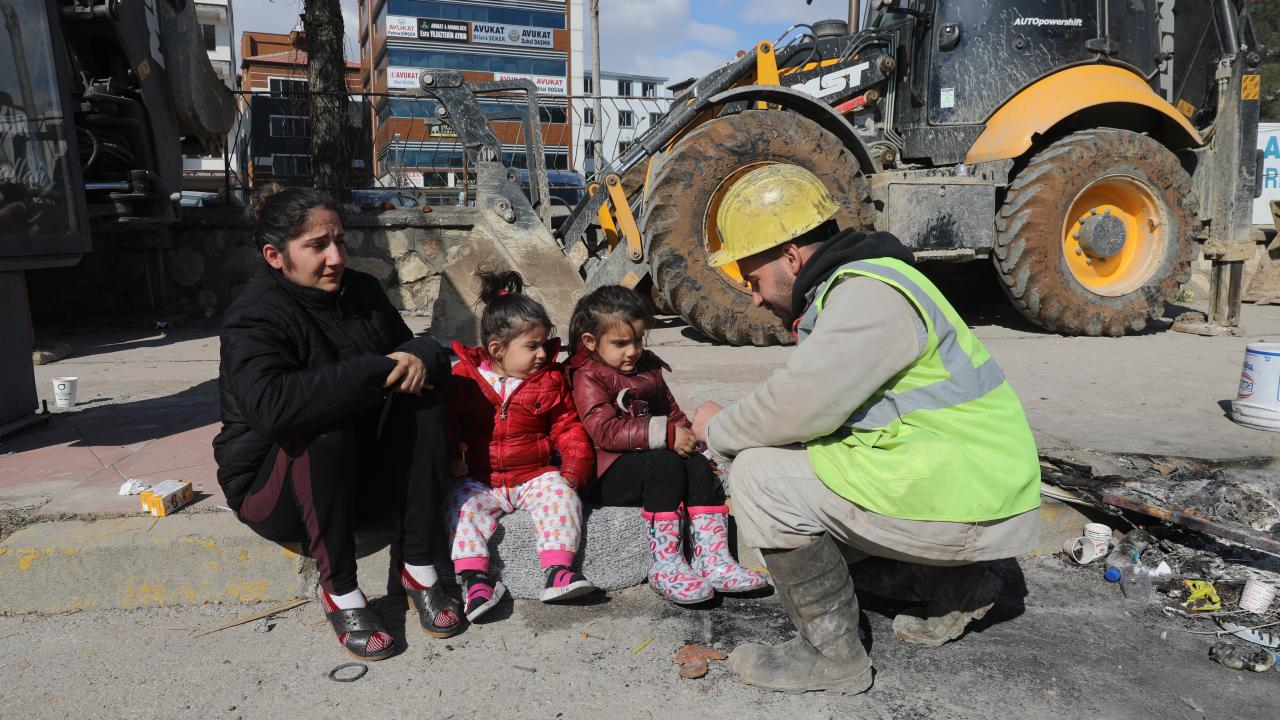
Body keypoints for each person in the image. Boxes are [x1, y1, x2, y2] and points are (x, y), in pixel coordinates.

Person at [689, 164, 1041, 694]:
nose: (755, 297)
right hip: (967, 485)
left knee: (759, 476)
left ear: (791, 256)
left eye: (753, 279)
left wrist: (718, 429)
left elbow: (799, 405)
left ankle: (830, 659)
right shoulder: (870, 283)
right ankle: (955, 583)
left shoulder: (866, 295)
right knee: (823, 546)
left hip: (969, 498)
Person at [213, 184, 463, 661]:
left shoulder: (360, 290)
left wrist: (416, 356)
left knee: (424, 395)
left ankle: (416, 564)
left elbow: (412, 347)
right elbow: (272, 409)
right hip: (273, 490)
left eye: (340, 241)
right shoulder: (254, 316)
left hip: (355, 480)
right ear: (275, 256)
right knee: (321, 422)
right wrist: (375, 370)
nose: (336, 258)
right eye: (317, 246)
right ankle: (341, 590)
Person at [565, 286, 768, 605]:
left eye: (638, 340)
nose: (632, 351)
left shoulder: (647, 368)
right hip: (607, 473)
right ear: (591, 341)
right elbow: (603, 431)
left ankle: (712, 558)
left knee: (695, 464)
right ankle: (666, 564)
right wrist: (664, 434)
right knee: (665, 463)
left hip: (648, 461)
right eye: (620, 344)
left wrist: (694, 446)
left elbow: (672, 415)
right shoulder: (588, 375)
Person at [446, 270, 597, 621]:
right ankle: (476, 581)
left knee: (561, 496)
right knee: (459, 506)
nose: (543, 354)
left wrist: (575, 465)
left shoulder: (549, 380)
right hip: (480, 478)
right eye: (532, 346)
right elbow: (447, 424)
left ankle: (559, 571)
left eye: (544, 344)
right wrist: (452, 456)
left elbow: (567, 426)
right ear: (497, 349)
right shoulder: (464, 380)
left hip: (533, 474)